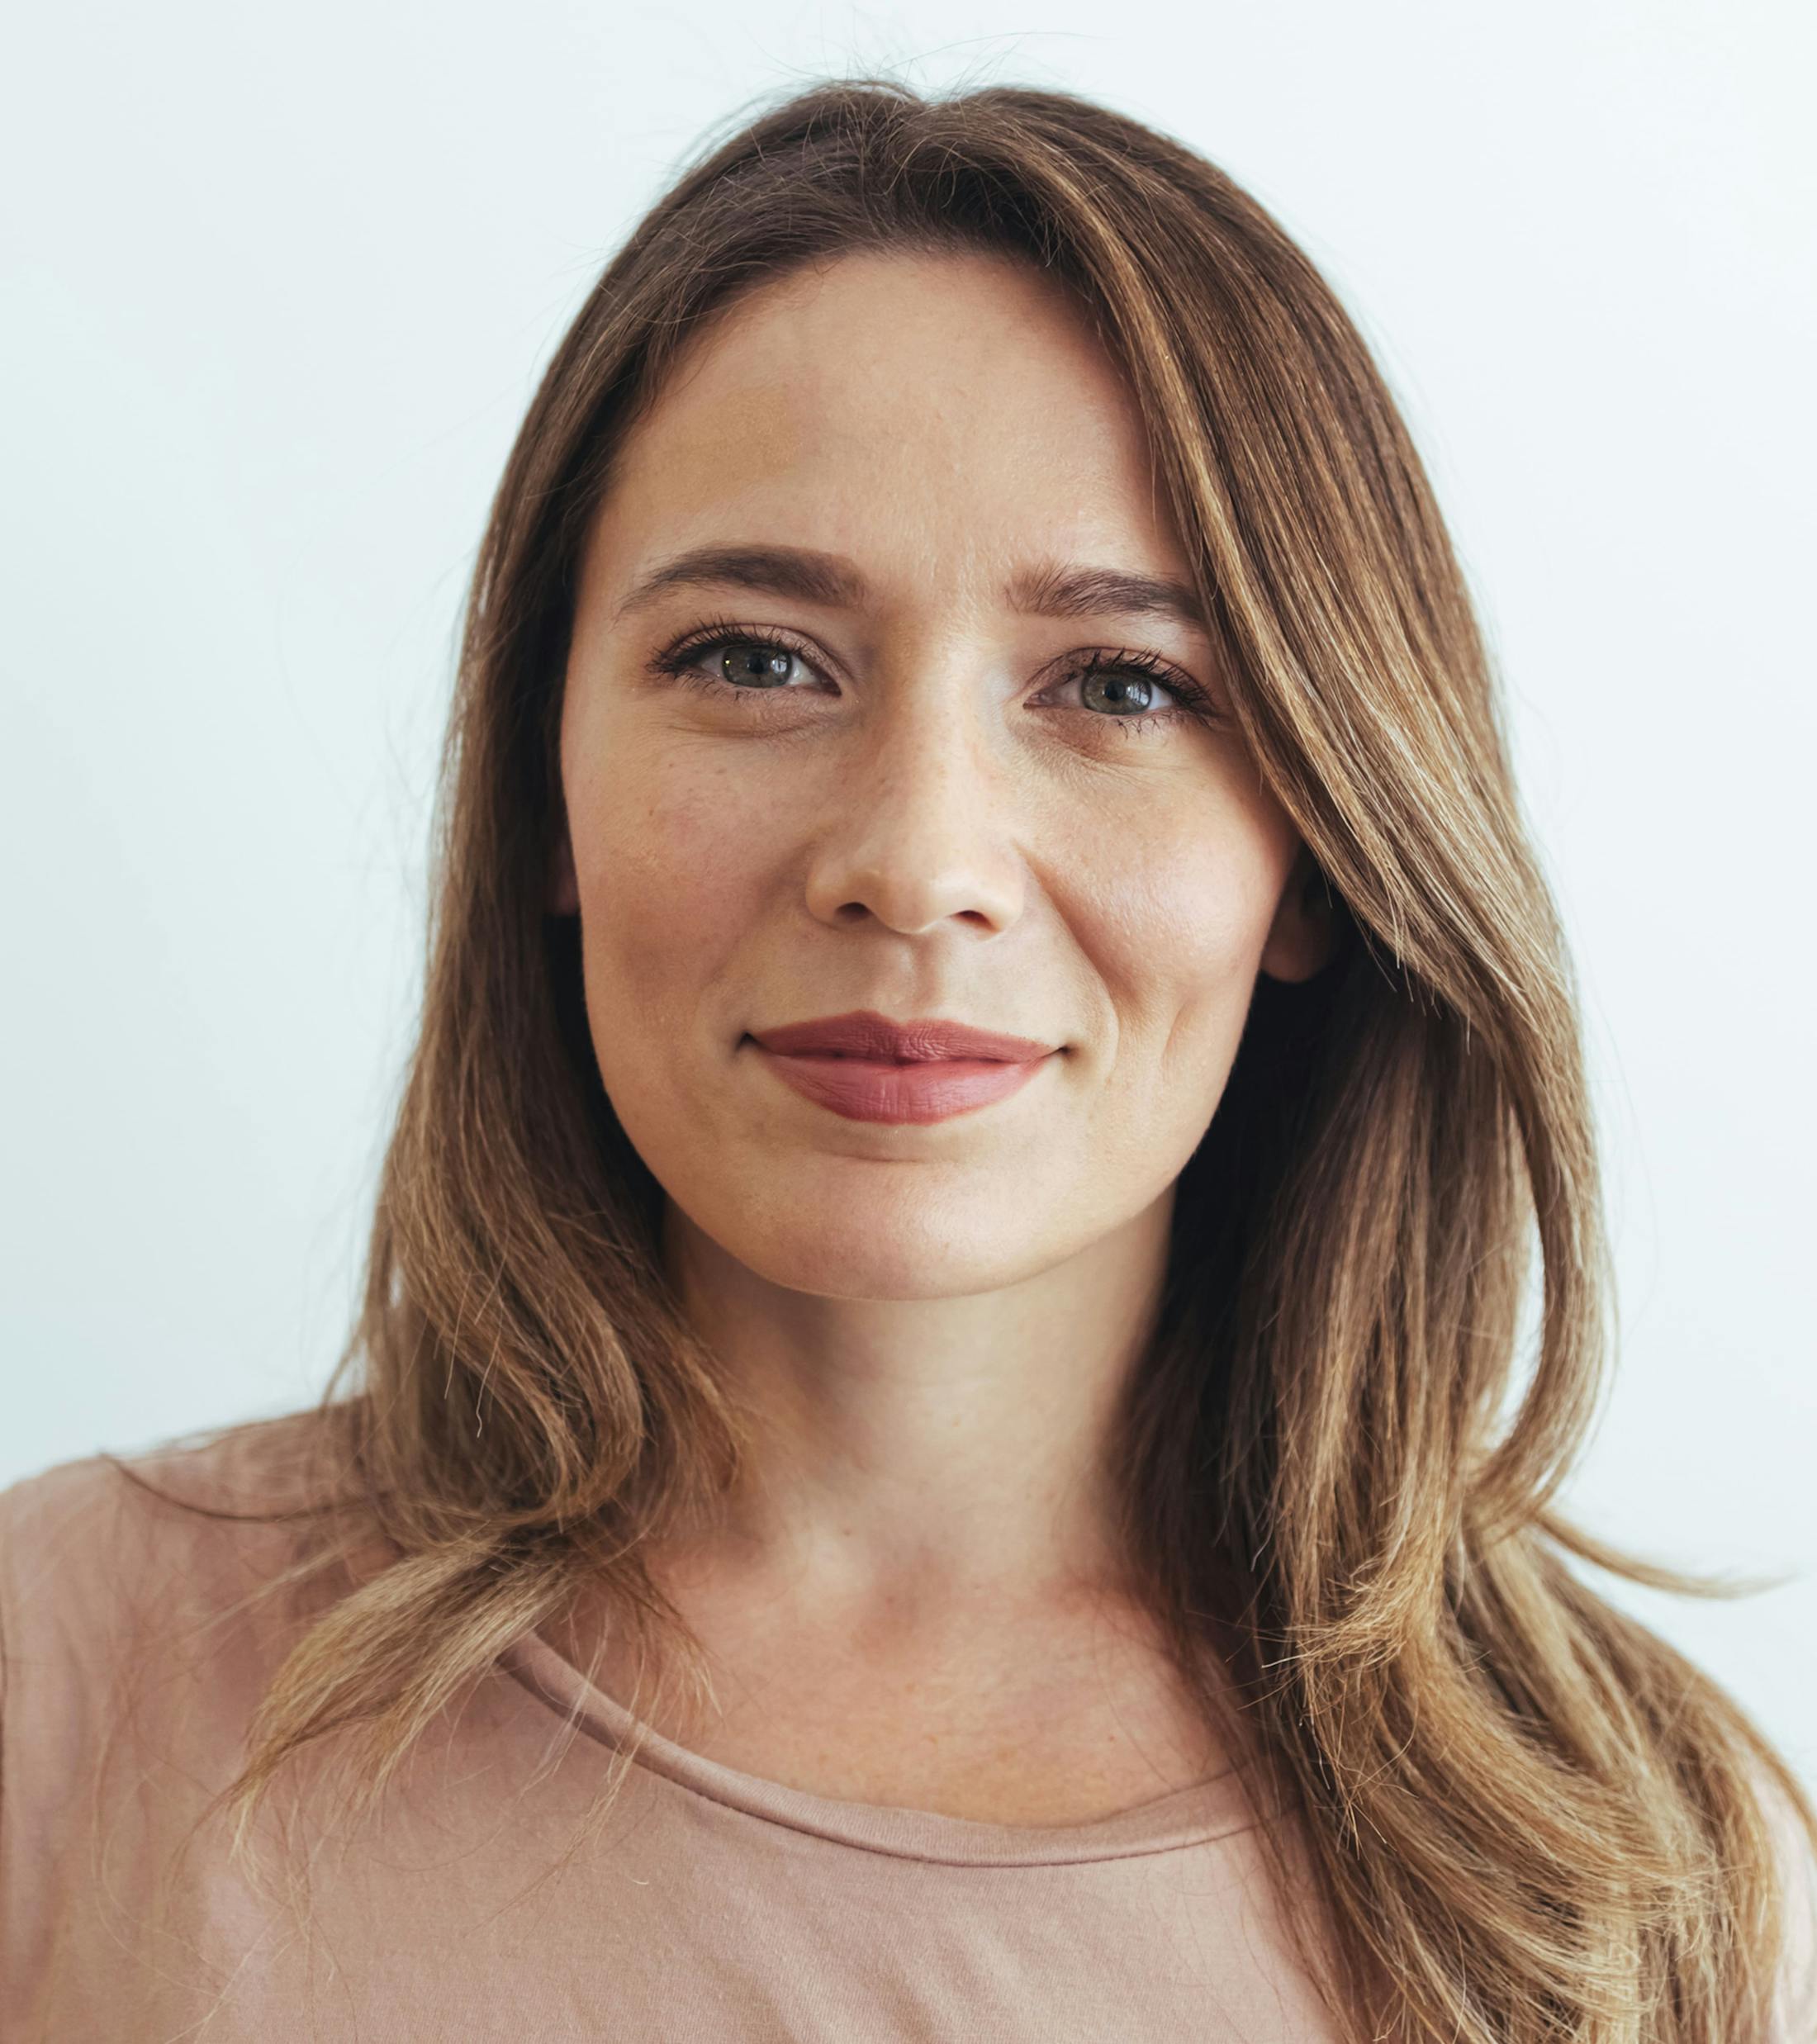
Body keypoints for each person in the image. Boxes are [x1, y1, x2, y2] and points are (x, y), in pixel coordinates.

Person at [2, 78, 1811, 2044]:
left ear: (1320, 850)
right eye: (754, 658)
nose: (916, 864)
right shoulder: (58, 1683)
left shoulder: (1647, 1882)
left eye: (1123, 685)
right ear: (537, 785)